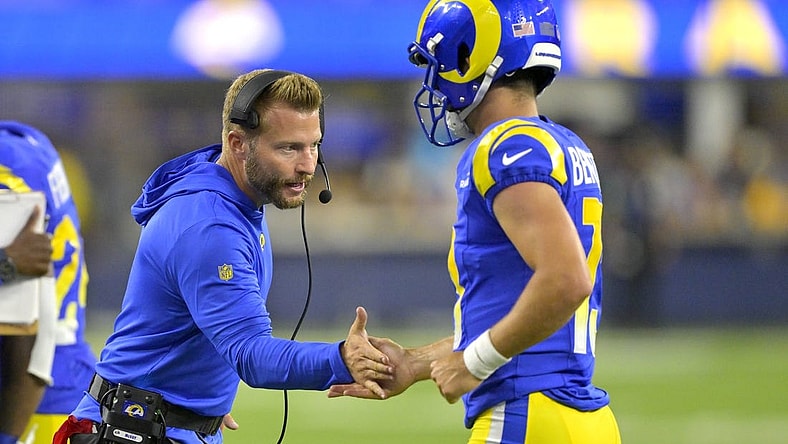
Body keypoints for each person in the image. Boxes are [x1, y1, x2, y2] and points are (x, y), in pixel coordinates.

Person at [329, 1, 621, 443]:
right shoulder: (563, 143)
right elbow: (527, 321)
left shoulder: (503, 147)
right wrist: (416, 362)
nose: (436, 81)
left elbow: (566, 279)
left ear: (470, 56)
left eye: (439, 63)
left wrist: (473, 362)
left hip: (528, 416)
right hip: (577, 420)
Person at [54, 69, 393, 444]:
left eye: (314, 145)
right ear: (237, 144)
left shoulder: (240, 196)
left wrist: (201, 394)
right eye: (288, 148)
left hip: (164, 424)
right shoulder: (210, 227)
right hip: (131, 430)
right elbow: (251, 354)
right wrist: (342, 359)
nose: (308, 165)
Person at [0, 121, 95, 444]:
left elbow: (24, 333)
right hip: (67, 381)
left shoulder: (7, 177)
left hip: (28, 404)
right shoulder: (26, 141)